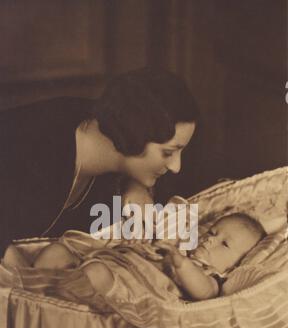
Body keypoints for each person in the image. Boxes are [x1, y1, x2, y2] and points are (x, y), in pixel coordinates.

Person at [0, 68, 198, 256]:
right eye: (168, 152)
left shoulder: (105, 126)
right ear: (133, 134)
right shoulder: (37, 145)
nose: (176, 167)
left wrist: (134, 184)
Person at [3, 212, 266, 305]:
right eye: (212, 232)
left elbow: (204, 292)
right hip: (99, 263)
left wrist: (180, 263)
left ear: (233, 266)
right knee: (57, 252)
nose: (209, 240)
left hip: (118, 290)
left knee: (95, 275)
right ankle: (34, 288)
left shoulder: (210, 278)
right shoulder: (176, 248)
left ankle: (41, 296)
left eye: (224, 243)